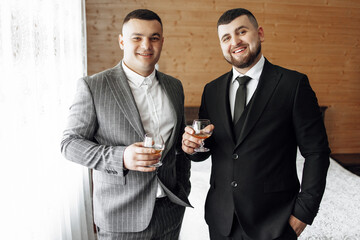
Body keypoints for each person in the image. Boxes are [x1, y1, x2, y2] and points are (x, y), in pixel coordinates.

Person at [182, 8, 330, 240]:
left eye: (242, 32)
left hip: (276, 220)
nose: (235, 41)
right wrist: (191, 148)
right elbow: (207, 150)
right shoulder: (211, 90)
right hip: (221, 221)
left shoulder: (293, 85)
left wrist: (304, 212)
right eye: (226, 37)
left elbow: (317, 153)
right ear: (221, 45)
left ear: (259, 33)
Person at [61, 9, 191, 240]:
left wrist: (183, 186)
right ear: (122, 41)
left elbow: (179, 147)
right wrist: (121, 157)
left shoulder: (175, 86)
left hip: (171, 213)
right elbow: (69, 144)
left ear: (162, 41)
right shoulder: (94, 86)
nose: (146, 45)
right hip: (121, 219)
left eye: (154, 37)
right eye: (137, 38)